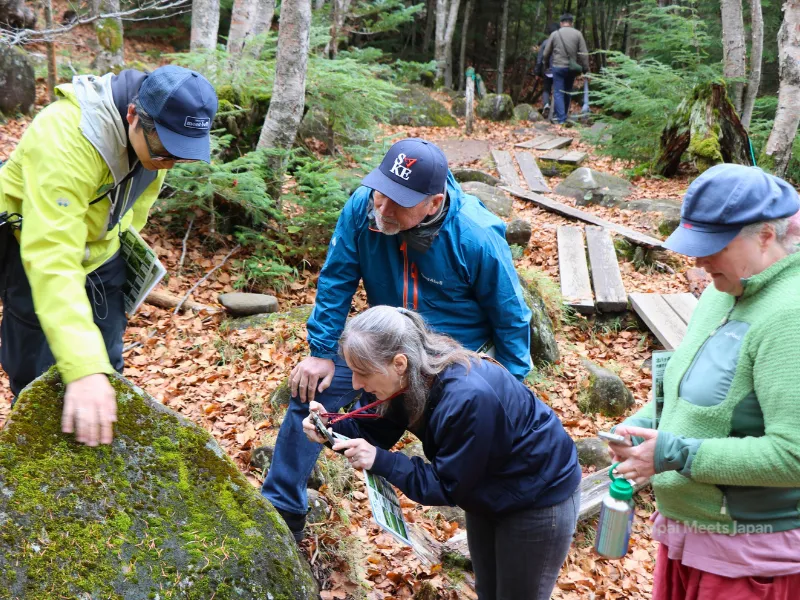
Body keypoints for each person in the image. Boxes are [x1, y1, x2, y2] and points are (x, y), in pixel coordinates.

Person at [262, 137, 533, 540]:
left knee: (453, 442)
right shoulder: (362, 207)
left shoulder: (474, 236)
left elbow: (511, 316)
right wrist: (321, 352)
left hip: (447, 360)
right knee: (311, 391)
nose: (382, 209)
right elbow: (337, 278)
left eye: (398, 202)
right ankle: (283, 511)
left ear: (434, 203)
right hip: (383, 342)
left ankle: (492, 528)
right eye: (380, 193)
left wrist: (511, 389)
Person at [608, 164, 800, 600]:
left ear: (765, 236)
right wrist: (638, 426)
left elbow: (794, 455)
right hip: (689, 539)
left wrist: (673, 452)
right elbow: (690, 390)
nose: (697, 260)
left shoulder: (790, 316)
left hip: (751, 562)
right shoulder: (721, 291)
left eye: (714, 246)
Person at [0, 66, 218, 446]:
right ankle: (34, 462)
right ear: (133, 115)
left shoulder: (156, 140)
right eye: (166, 150)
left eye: (182, 154)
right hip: (31, 247)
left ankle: (100, 450)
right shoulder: (64, 139)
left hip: (102, 252)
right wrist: (83, 370)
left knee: (107, 364)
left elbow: (136, 206)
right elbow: (52, 256)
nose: (169, 162)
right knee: (37, 372)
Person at [303, 306, 581, 600]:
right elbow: (373, 436)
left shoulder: (467, 397)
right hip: (486, 487)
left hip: (538, 497)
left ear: (399, 362)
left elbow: (448, 486)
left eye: (362, 373)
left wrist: (381, 461)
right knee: (487, 591)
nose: (357, 385)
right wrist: (328, 429)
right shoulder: (409, 376)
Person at [542, 13, 589, 124]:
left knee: (558, 92)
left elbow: (545, 53)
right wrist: (585, 68)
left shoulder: (554, 34)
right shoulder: (578, 34)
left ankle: (561, 119)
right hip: (571, 68)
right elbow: (584, 53)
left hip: (558, 67)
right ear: (571, 23)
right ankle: (564, 116)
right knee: (568, 91)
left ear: (561, 23)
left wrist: (545, 65)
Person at [534, 23, 560, 118]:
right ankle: (556, 110)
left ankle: (546, 105)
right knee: (558, 89)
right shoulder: (561, 43)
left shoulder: (545, 43)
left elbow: (539, 58)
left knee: (546, 88)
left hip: (547, 70)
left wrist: (537, 72)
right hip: (559, 69)